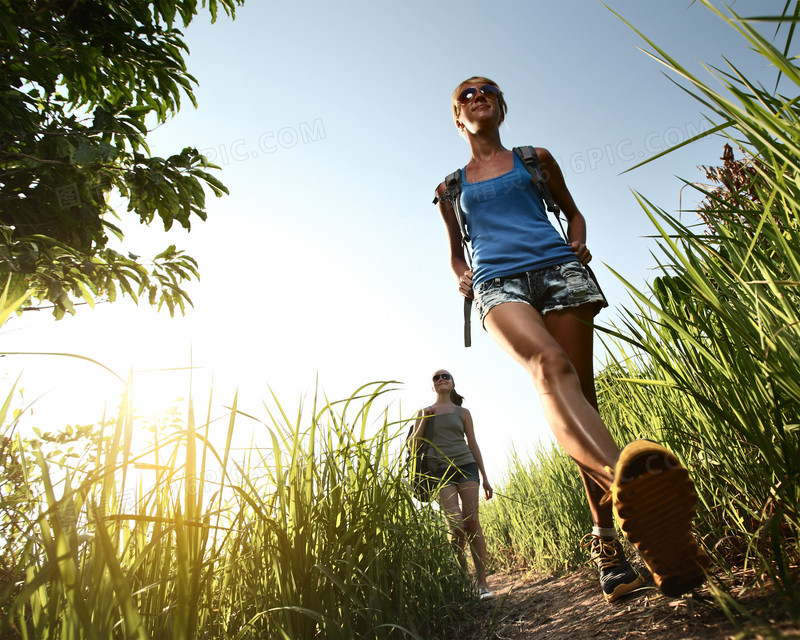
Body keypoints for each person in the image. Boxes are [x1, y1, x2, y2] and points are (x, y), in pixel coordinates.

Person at [432, 76, 709, 603]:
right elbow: (454, 254)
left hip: (559, 270)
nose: (477, 96)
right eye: (465, 95)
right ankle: (633, 489)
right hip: (498, 284)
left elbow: (572, 211)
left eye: (486, 89)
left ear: (501, 106)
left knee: (581, 395)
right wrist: (461, 276)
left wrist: (578, 241)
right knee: (549, 365)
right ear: (457, 118)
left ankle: (614, 545)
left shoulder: (535, 157)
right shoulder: (450, 188)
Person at [409, 369, 495, 599]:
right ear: (433, 386)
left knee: (473, 521)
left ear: (452, 383)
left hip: (466, 466)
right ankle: (462, 574)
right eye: (436, 378)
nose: (441, 379)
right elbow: (413, 445)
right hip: (439, 471)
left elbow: (473, 444)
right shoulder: (424, 412)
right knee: (456, 525)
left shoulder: (463, 412)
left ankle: (482, 582)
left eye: (445, 376)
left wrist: (485, 477)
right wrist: (424, 420)